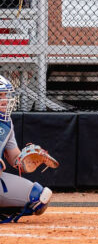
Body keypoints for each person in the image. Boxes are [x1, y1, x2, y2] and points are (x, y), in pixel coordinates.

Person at [0, 75, 53, 223]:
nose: (4, 100)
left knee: (39, 197)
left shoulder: (6, 123)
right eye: (0, 95)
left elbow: (14, 158)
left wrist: (27, 161)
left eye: (4, 95)